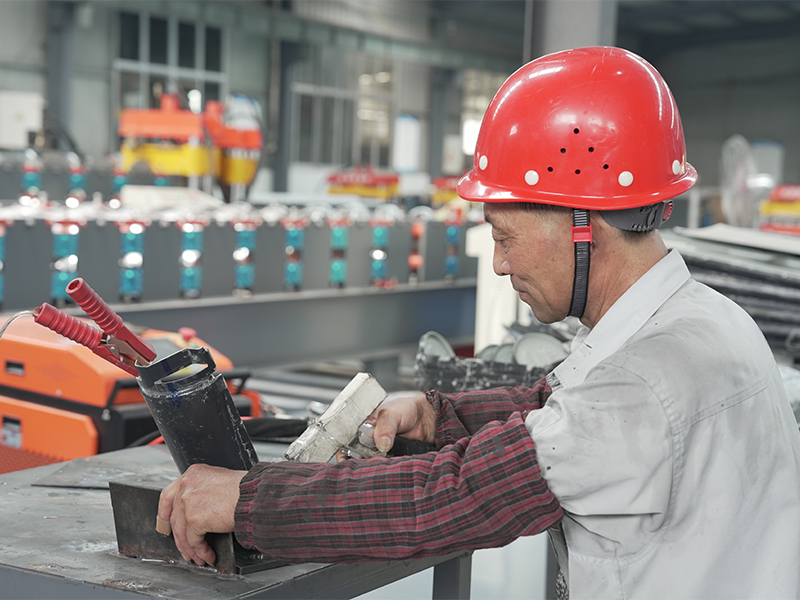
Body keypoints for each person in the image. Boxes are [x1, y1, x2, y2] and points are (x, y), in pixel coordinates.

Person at [159, 47, 800, 598]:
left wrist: (248, 500)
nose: (498, 263)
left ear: (582, 224)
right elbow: (555, 407)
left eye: (504, 235)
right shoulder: (699, 320)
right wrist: (437, 417)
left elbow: (451, 499)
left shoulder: (642, 384)